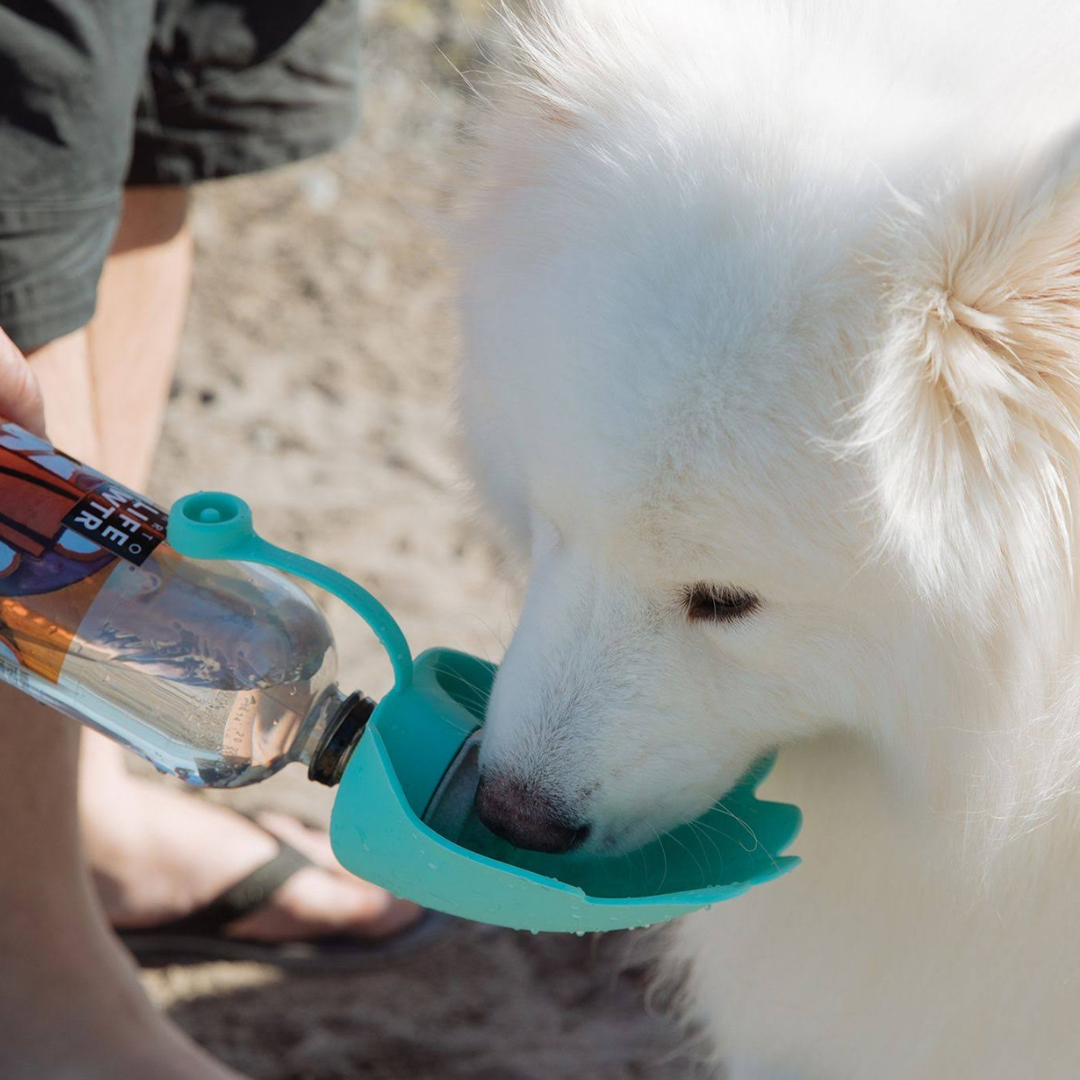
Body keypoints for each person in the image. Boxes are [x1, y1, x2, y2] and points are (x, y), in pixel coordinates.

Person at [0, 3, 424, 1078]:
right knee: (24, 142)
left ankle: (77, 815)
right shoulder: (288, 658)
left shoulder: (285, 666)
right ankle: (31, 976)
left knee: (139, 98)